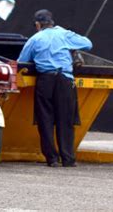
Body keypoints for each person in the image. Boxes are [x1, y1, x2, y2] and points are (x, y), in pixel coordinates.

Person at [18, 9, 92, 167]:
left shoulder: (34, 39)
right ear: (52, 22)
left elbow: (22, 61)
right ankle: (68, 158)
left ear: (38, 25)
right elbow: (87, 44)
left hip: (45, 80)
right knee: (65, 120)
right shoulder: (64, 34)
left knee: (45, 119)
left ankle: (51, 159)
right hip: (65, 80)